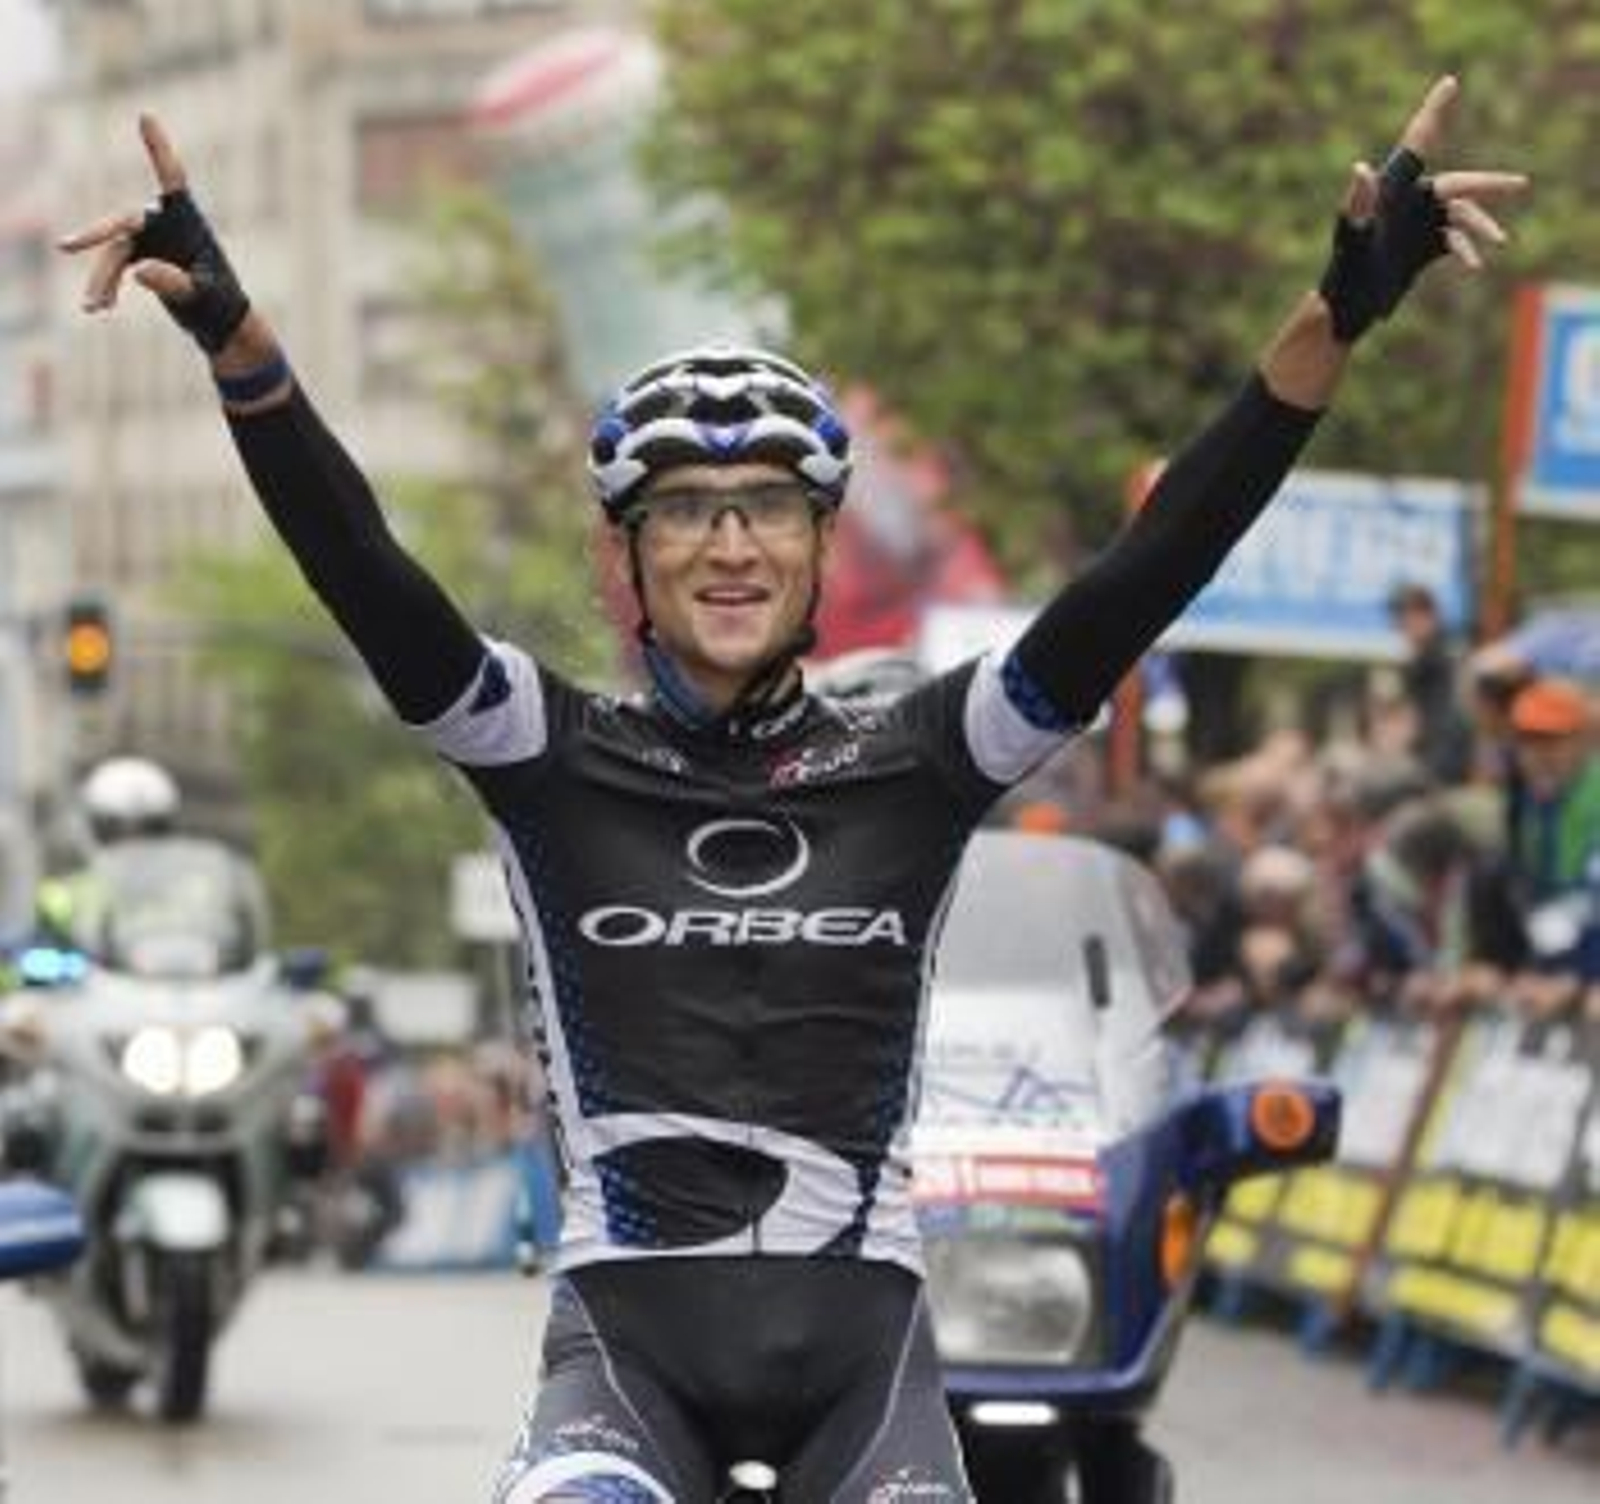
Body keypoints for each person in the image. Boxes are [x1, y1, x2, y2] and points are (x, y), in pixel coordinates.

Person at [61, 78, 1523, 1504]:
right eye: (684, 513)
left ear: (822, 547)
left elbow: (1154, 567)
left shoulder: (928, 756)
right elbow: (362, 565)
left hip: (863, 1374)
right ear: (624, 557)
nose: (728, 546)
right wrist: (239, 342)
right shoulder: (542, 755)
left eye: (766, 506)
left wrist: (1333, 321)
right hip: (624, 1367)